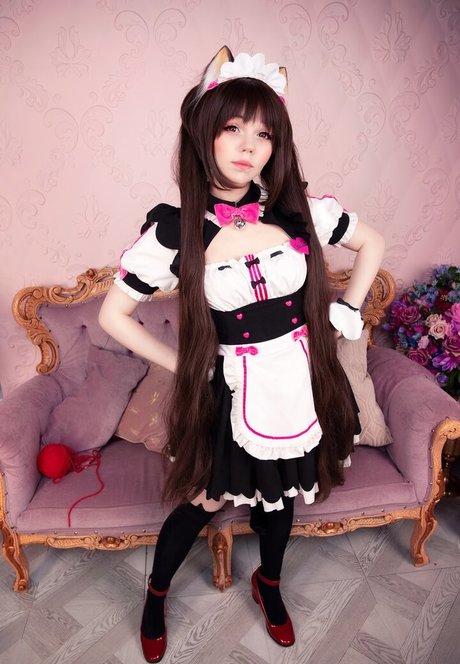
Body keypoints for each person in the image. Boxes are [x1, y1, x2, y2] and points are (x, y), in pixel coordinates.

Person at [99, 46, 385, 663]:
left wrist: (348, 310)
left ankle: (269, 583)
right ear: (204, 134)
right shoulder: (176, 231)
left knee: (281, 500)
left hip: (302, 380)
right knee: (203, 502)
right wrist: (188, 366)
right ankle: (155, 594)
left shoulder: (296, 210)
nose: (249, 145)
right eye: (233, 127)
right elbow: (112, 315)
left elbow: (373, 243)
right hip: (233, 386)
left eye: (264, 133)